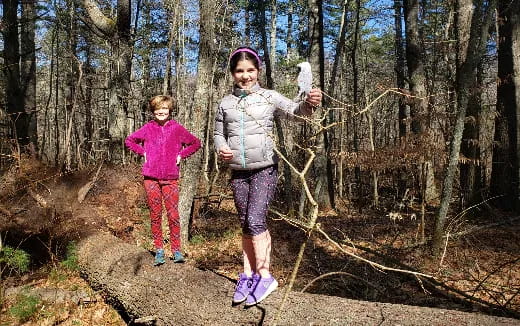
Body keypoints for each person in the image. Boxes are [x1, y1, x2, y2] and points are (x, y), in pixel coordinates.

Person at [214, 47, 322, 306]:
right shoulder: (225, 103)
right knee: (245, 222)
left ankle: (265, 277)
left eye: (250, 70)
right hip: (238, 171)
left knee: (255, 219)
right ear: (232, 74)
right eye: (240, 71)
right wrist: (220, 148)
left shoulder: (268, 97)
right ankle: (248, 275)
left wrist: (309, 103)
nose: (245, 76)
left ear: (258, 71)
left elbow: (296, 113)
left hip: (265, 168)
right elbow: (218, 133)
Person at [126, 95, 201, 266]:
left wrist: (181, 155)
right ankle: (159, 250)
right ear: (153, 111)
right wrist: (142, 152)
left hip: (170, 178)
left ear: (169, 110)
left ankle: (176, 251)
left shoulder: (177, 129)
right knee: (155, 215)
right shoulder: (148, 128)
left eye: (164, 108)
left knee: (173, 215)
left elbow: (195, 143)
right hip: (150, 178)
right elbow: (129, 140)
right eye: (158, 109)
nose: (161, 111)